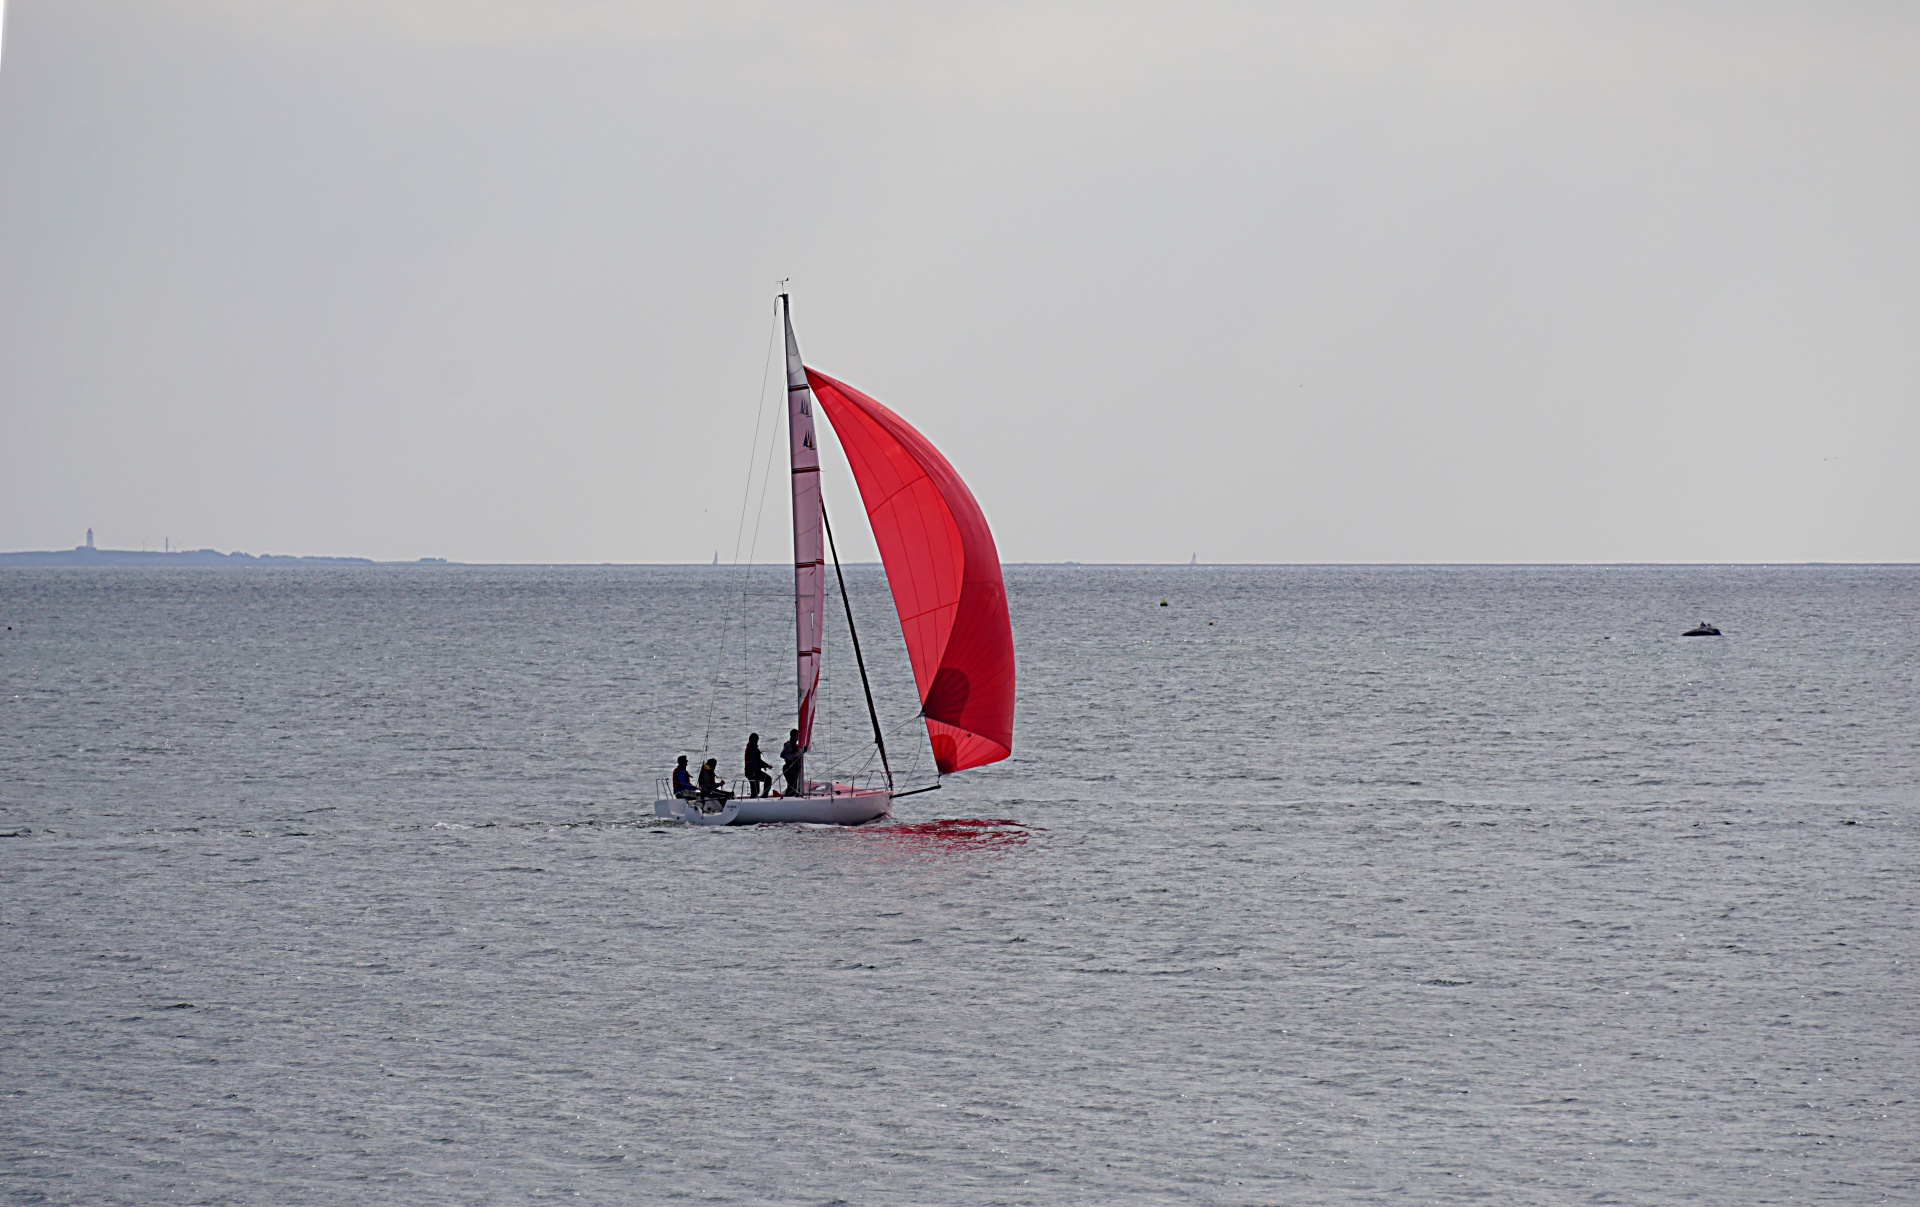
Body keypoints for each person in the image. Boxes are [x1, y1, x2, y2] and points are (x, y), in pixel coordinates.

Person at [743, 733, 773, 798]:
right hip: (753, 772)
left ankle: (754, 800)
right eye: (757, 740)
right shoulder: (753, 749)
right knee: (768, 779)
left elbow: (756, 761)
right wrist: (767, 765)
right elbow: (757, 761)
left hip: (749, 771)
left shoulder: (750, 747)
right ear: (755, 740)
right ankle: (764, 797)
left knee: (755, 790)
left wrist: (764, 766)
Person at [780, 728, 804, 796]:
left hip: (794, 768)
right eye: (798, 735)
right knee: (791, 786)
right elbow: (782, 755)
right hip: (789, 768)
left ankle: (791, 797)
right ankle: (787, 799)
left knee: (794, 786)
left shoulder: (796, 745)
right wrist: (793, 755)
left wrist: (803, 750)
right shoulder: (789, 745)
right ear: (795, 736)